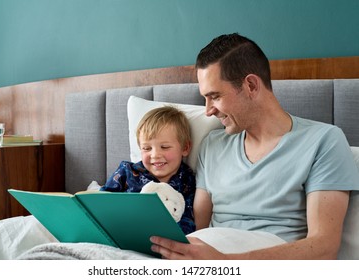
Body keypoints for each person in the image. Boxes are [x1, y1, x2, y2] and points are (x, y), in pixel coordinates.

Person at [150, 33, 359, 259]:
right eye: (205, 98)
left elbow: (324, 247)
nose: (208, 110)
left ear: (250, 85)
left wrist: (228, 263)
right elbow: (197, 231)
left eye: (215, 96)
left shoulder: (324, 141)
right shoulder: (212, 145)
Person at [100, 106, 196, 235]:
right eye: (146, 148)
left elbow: (188, 218)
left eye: (165, 147)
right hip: (121, 231)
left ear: (185, 148)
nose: (155, 155)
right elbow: (101, 201)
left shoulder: (187, 180)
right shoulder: (126, 171)